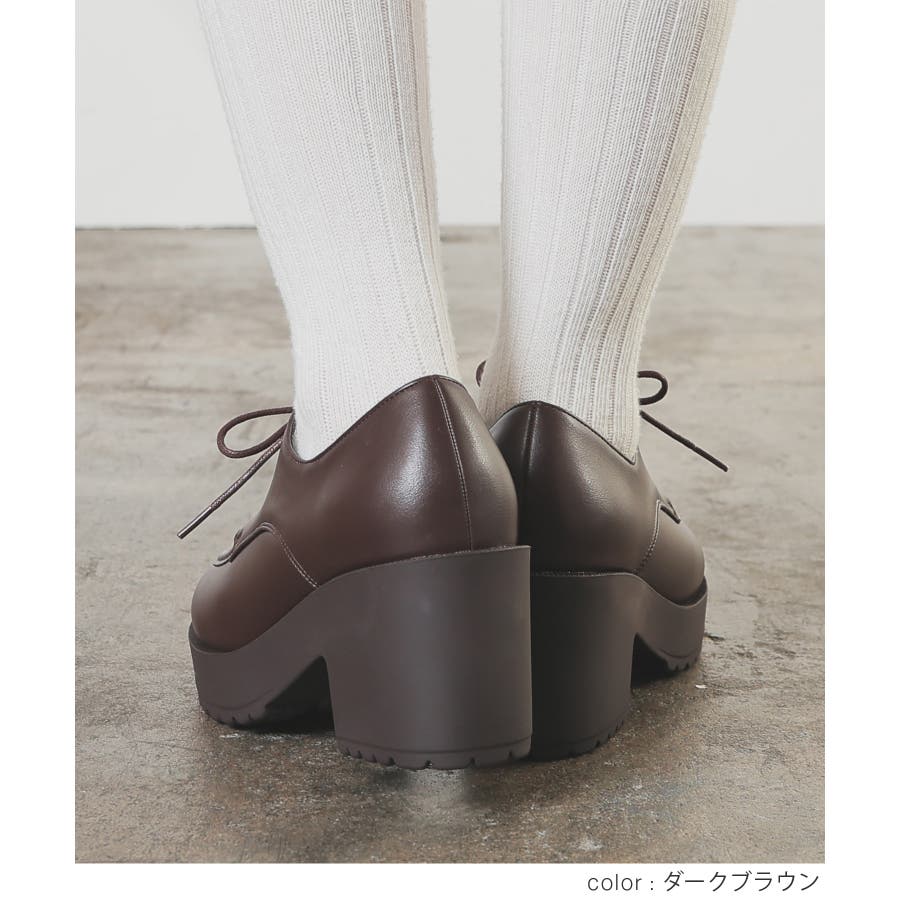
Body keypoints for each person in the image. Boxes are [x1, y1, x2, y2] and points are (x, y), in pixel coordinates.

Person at [181, 0, 734, 768]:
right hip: (592, 510)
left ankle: (370, 425)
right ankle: (580, 439)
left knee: (372, 355)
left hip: (379, 510)